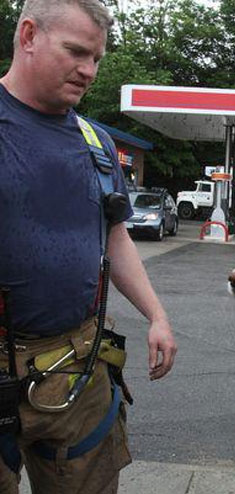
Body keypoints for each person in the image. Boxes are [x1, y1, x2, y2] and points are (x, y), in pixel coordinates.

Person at [0, 1, 177, 493]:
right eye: (76, 52)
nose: (89, 71)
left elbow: (114, 234)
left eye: (97, 58)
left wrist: (156, 316)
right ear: (29, 35)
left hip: (77, 366)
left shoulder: (96, 142)